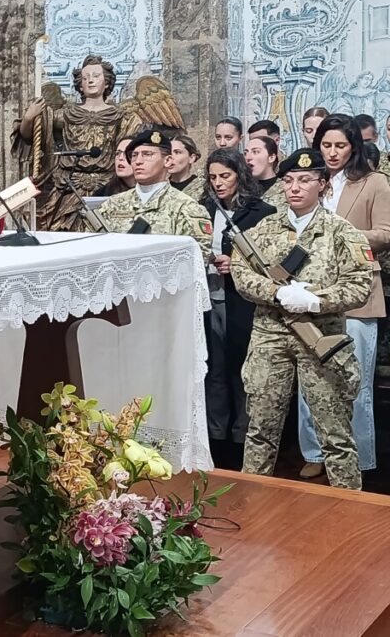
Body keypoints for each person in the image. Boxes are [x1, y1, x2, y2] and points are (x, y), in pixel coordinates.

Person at [231, 149, 371, 490]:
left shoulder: (342, 232)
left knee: (335, 434)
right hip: (270, 334)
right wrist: (276, 293)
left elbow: (360, 283)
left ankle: (348, 509)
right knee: (261, 430)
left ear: (322, 185)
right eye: (289, 180)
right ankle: (253, 501)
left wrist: (316, 300)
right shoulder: (265, 228)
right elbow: (240, 270)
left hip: (320, 338)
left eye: (305, 180)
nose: (295, 187)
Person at [297, 114, 390, 480]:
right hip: (311, 293)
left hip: (357, 294)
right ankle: (313, 452)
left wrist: (341, 235)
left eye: (340, 146)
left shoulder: (373, 182)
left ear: (354, 147)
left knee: (354, 382)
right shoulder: (309, 182)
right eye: (326, 145)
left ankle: (359, 458)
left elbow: (385, 233)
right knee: (310, 378)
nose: (332, 153)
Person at [200, 149, 275, 468]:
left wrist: (240, 264)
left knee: (242, 369)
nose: (218, 183)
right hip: (209, 296)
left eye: (225, 176)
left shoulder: (261, 211)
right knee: (213, 368)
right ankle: (216, 434)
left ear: (240, 175)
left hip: (241, 301)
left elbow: (272, 259)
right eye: (213, 177)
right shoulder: (202, 209)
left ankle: (243, 436)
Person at [15, 55, 141, 230]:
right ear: (79, 84)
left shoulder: (121, 117)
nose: (90, 81)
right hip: (69, 186)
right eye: (85, 77)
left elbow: (129, 149)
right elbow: (30, 136)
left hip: (107, 185)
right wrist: (29, 118)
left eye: (96, 76)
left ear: (107, 82)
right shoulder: (67, 114)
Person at [97, 130, 212, 264]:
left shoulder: (186, 208)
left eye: (147, 154)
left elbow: (197, 258)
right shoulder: (112, 205)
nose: (138, 161)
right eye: (134, 155)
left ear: (167, 161)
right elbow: (95, 250)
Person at [244, 135, 284, 209]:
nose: (248, 157)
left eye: (255, 152)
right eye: (245, 153)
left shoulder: (285, 189)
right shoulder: (242, 189)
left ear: (271, 157)